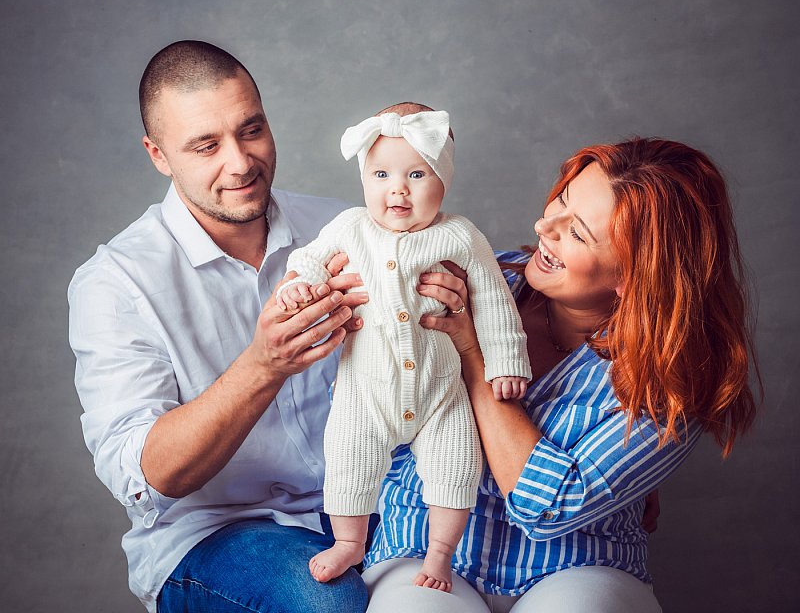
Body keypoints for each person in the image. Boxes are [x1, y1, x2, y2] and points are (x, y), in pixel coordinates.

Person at [362, 138, 760, 612]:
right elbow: (370, 402)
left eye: (578, 234)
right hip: (425, 546)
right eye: (561, 203)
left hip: (580, 564)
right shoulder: (476, 282)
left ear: (636, 274)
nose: (543, 227)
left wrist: (473, 356)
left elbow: (548, 507)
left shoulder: (675, 375)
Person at [67, 40, 371, 613]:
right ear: (158, 154)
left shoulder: (341, 227)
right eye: (206, 146)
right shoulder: (114, 283)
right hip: (216, 533)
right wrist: (263, 366)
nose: (240, 162)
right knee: (331, 604)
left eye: (251, 130)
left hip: (372, 501)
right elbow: (150, 475)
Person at [276, 103, 531, 590]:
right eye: (381, 174)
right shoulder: (352, 227)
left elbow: (497, 303)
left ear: (444, 181)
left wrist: (505, 363)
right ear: (364, 179)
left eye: (417, 173)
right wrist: (296, 283)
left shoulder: (459, 235)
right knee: (349, 457)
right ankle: (349, 542)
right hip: (366, 392)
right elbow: (310, 259)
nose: (397, 188)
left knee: (455, 467)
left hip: (442, 393)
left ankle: (439, 555)